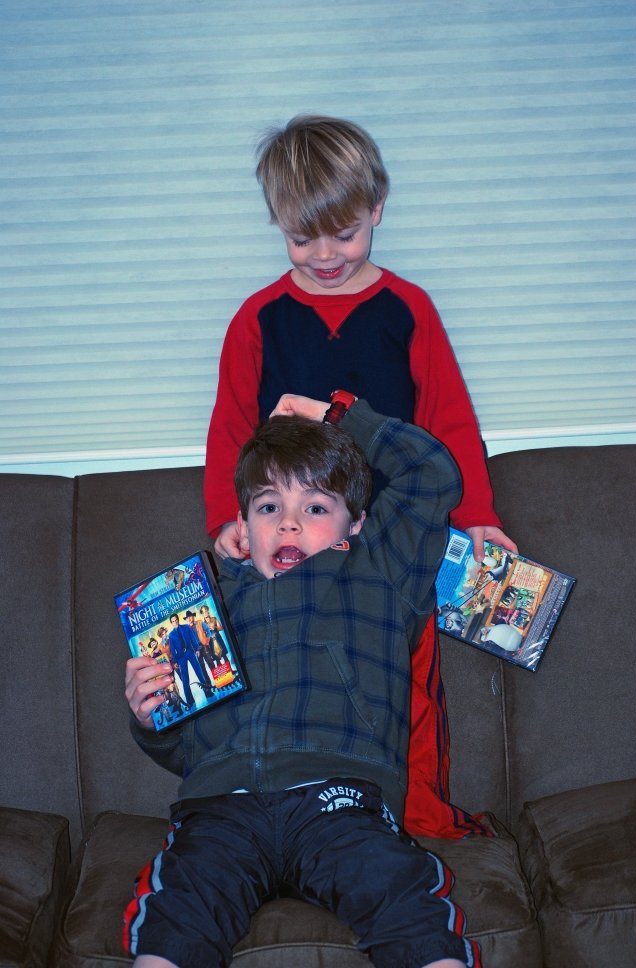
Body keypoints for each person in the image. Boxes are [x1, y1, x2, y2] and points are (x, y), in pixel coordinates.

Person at [203, 114, 517, 837]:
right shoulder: (258, 318)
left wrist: (476, 514)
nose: (324, 255)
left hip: (395, 539)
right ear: (277, 224)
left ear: (377, 208)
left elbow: (449, 420)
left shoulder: (408, 309)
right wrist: (228, 518)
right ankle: (302, 812)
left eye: (343, 234)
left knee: (408, 684)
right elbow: (229, 431)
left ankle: (415, 812)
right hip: (299, 545)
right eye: (301, 238)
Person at [124, 393, 480, 968]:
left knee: (398, 894)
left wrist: (333, 414)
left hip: (339, 797)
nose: (288, 522)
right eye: (268, 507)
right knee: (179, 912)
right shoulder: (206, 607)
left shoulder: (377, 569)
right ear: (243, 526)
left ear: (355, 523)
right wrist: (151, 719)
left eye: (315, 507)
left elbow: (431, 474)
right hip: (221, 809)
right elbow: (190, 751)